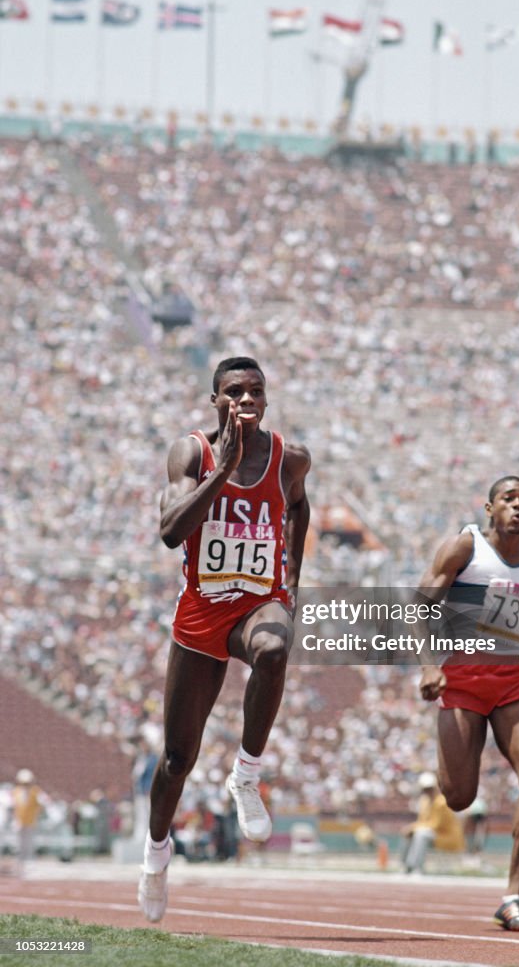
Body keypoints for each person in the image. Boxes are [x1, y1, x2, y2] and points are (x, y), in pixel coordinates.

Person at [138, 356, 311, 923]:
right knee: (176, 759)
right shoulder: (191, 453)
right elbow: (170, 533)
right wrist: (224, 468)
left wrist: (291, 579)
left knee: (276, 646)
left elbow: (300, 505)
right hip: (201, 615)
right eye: (234, 391)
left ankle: (247, 774)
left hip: (255, 605)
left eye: (256, 390)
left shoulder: (290, 458)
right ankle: (157, 853)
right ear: (215, 400)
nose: (246, 399)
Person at [414, 475, 519, 932]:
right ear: (490, 508)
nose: (518, 507)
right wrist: (430, 666)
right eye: (508, 499)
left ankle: (513, 896)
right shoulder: (465, 548)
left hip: (512, 681)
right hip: (462, 679)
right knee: (460, 797)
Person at [401, 771, 464, 874]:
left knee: (421, 834)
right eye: (425, 789)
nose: (427, 792)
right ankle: (406, 867)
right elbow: (422, 821)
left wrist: (412, 827)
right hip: (433, 835)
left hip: (446, 836)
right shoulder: (424, 801)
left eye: (429, 789)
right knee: (411, 834)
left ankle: (416, 868)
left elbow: (435, 825)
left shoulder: (441, 802)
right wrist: (412, 829)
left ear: (435, 788)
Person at [12, 769, 43, 874]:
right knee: (19, 844)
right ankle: (19, 863)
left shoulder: (35, 792)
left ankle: (29, 862)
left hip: (31, 821)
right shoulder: (16, 792)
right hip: (19, 821)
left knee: (29, 843)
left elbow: (41, 804)